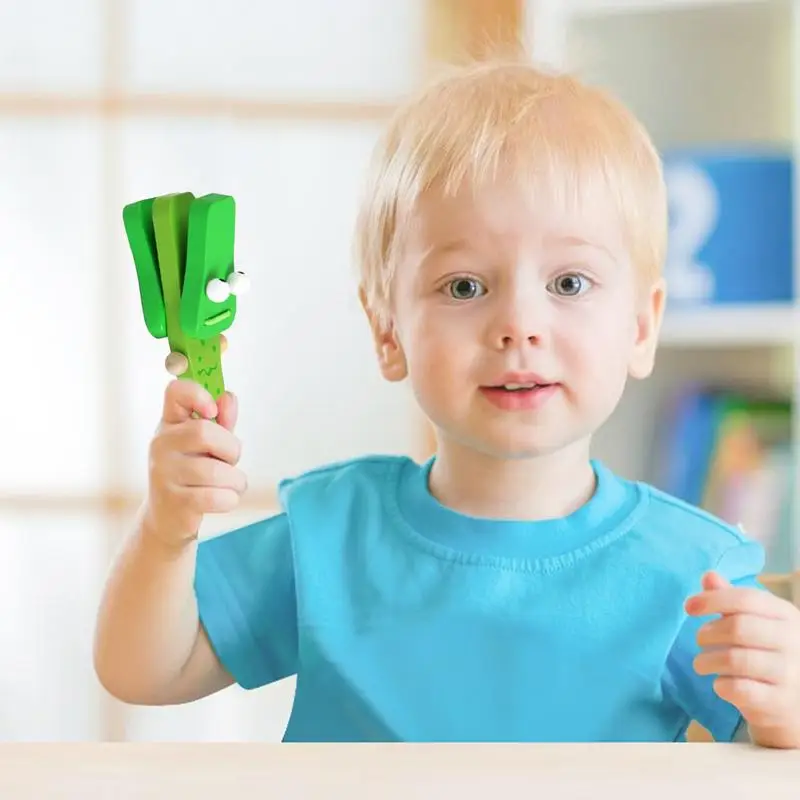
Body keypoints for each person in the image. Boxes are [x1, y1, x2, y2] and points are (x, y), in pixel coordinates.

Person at [93, 57, 800, 746]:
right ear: (388, 330)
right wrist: (167, 530)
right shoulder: (330, 535)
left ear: (641, 327)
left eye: (570, 283)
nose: (518, 324)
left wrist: (786, 703)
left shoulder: (688, 569)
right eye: (465, 286)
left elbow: (774, 748)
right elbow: (144, 670)